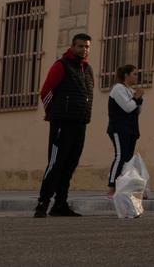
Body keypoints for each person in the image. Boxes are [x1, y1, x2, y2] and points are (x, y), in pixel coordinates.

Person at [35, 33, 95, 218]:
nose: (83, 50)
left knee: (70, 165)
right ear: (72, 47)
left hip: (80, 123)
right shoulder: (61, 66)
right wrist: (55, 113)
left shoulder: (87, 69)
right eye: (80, 46)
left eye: (86, 47)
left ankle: (60, 205)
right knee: (56, 164)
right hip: (62, 123)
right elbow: (46, 92)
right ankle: (42, 204)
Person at [106, 64, 144, 198]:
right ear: (126, 75)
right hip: (119, 128)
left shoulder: (130, 90)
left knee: (128, 159)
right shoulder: (118, 89)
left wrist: (138, 98)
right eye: (134, 74)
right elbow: (127, 107)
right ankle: (112, 186)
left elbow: (137, 110)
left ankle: (122, 185)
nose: (136, 76)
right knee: (120, 156)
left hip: (131, 129)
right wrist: (136, 98)